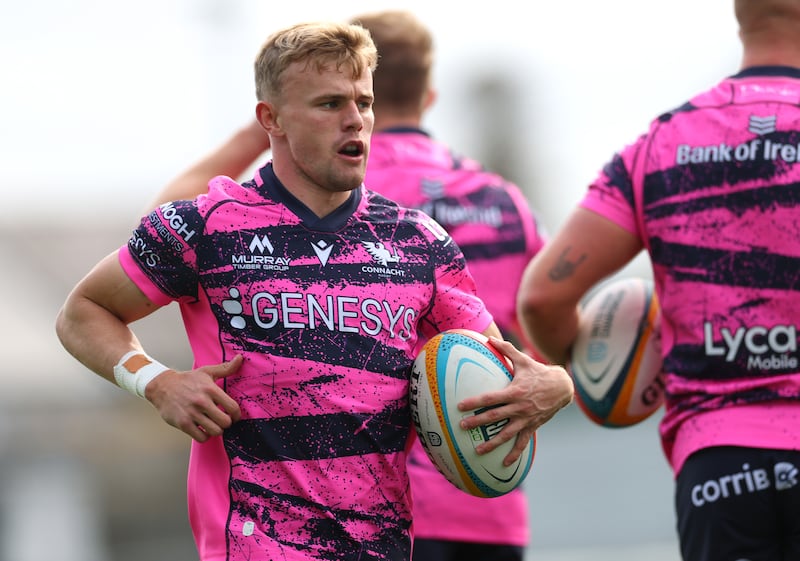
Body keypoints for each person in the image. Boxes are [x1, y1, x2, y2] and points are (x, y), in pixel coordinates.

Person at [55, 20, 574, 561]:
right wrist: (157, 382)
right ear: (271, 118)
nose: (355, 120)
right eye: (329, 104)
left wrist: (555, 384)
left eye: (364, 102)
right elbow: (83, 311)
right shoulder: (205, 225)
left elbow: (502, 366)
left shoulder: (418, 241)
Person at [516, 1, 800, 560]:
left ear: (741, 17)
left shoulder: (662, 143)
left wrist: (601, 376)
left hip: (718, 469)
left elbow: (544, 297)